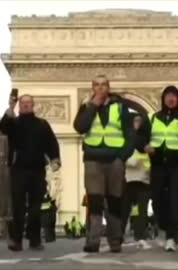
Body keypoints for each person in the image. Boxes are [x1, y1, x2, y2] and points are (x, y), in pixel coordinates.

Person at [73, 75, 134, 253]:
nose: (100, 88)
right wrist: (93, 106)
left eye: (103, 85)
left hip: (115, 159)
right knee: (95, 201)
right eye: (97, 85)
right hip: (93, 158)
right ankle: (93, 241)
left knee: (115, 201)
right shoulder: (86, 107)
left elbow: (130, 133)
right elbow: (80, 127)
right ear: (92, 88)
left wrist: (122, 156)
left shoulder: (121, 108)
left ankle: (115, 241)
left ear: (109, 87)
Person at [138, 85, 178, 251]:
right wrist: (144, 146)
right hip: (158, 164)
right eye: (168, 96)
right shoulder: (152, 118)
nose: (171, 99)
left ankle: (171, 236)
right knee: (158, 201)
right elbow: (138, 138)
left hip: (177, 165)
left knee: (175, 200)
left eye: (174, 96)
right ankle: (164, 228)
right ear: (163, 99)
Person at [0, 93, 61, 251]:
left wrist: (55, 159)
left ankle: (34, 239)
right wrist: (10, 107)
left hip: (37, 169)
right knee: (18, 207)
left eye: (28, 102)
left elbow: (52, 143)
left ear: (33, 105)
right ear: (19, 105)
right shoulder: (13, 122)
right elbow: (2, 127)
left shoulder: (42, 124)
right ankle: (17, 240)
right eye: (23, 103)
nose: (26, 105)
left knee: (35, 207)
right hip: (18, 168)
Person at [121, 114, 152, 250]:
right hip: (128, 179)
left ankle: (141, 237)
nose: (137, 123)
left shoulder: (148, 139)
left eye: (139, 121)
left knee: (142, 211)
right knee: (123, 210)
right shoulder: (127, 138)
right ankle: (119, 236)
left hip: (143, 180)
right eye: (135, 121)